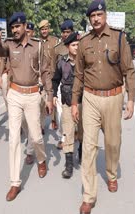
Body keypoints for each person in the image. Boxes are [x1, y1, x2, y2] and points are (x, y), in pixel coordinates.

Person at [71, 1, 135, 213]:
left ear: (105, 15)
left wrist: (131, 100)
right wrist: (74, 102)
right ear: (89, 19)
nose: (96, 19)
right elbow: (79, 75)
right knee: (88, 147)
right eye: (92, 16)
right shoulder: (84, 42)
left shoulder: (119, 37)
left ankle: (111, 173)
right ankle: (88, 196)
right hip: (90, 98)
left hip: (114, 98)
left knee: (112, 143)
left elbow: (129, 70)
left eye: (99, 14)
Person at [0, 12, 53, 201]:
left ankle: (41, 159)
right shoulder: (10, 44)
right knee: (13, 138)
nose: (15, 30)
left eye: (17, 27)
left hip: (33, 95)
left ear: (25, 26)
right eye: (12, 27)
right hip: (15, 95)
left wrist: (50, 96)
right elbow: (0, 51)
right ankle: (15, 182)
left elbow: (45, 72)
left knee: (35, 136)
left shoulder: (38, 45)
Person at [52, 32, 83, 178]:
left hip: (84, 102)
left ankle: (82, 151)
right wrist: (52, 95)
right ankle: (69, 165)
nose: (76, 47)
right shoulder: (61, 62)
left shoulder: (85, 61)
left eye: (78, 44)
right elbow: (55, 80)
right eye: (73, 45)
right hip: (67, 102)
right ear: (67, 47)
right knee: (68, 132)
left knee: (83, 132)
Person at [52, 19, 74, 149]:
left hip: (77, 86)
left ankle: (74, 133)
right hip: (62, 86)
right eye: (64, 32)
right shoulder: (57, 49)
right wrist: (53, 91)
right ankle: (63, 137)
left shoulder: (78, 45)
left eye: (68, 32)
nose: (65, 34)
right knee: (61, 114)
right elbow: (53, 69)